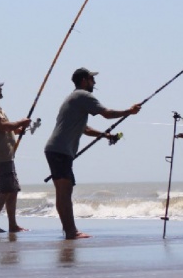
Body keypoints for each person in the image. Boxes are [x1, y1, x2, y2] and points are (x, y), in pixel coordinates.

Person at [44, 67, 141, 239]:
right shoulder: (83, 96)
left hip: (56, 149)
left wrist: (105, 135)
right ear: (84, 80)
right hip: (60, 151)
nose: (94, 82)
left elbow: (85, 129)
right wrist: (129, 111)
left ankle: (69, 231)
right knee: (64, 192)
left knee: (63, 192)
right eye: (91, 79)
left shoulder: (73, 98)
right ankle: (71, 232)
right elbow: (107, 114)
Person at [0, 79, 32, 234]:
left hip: (7, 155)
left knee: (13, 190)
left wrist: (20, 128)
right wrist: (20, 122)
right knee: (5, 190)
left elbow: (8, 130)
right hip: (0, 154)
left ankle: (12, 225)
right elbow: (2, 126)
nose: (1, 90)